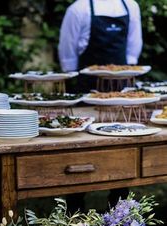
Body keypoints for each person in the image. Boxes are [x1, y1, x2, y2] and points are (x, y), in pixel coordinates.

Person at [58, 0, 143, 213]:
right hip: (88, 91)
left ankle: (118, 209)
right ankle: (75, 210)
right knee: (82, 150)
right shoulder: (79, 9)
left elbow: (132, 52)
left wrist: (123, 78)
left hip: (121, 92)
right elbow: (67, 55)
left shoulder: (130, 5)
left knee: (123, 148)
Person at [58, 0, 143, 75]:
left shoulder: (131, 6)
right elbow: (68, 45)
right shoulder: (78, 8)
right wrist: (71, 71)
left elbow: (134, 41)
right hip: (87, 81)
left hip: (123, 79)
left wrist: (130, 67)